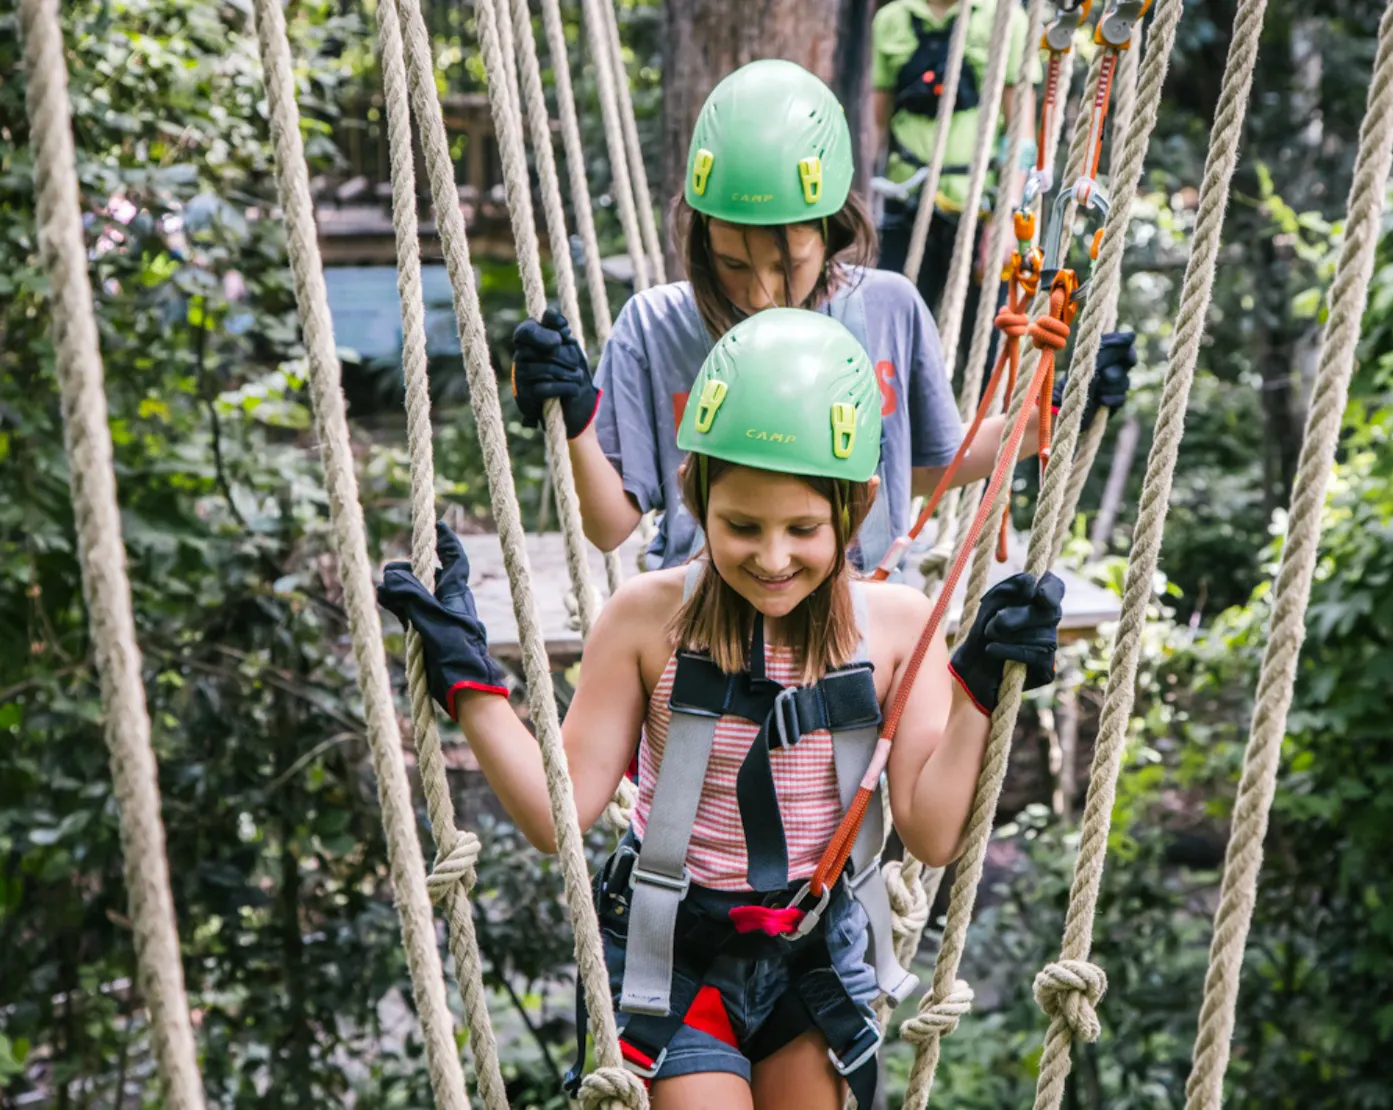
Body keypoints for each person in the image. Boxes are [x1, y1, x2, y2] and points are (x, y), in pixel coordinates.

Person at [381, 310, 1064, 1109]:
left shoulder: (898, 625)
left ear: (859, 506)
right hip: (673, 957)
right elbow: (553, 812)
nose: (772, 558)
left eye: (803, 529)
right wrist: (471, 682)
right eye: (741, 526)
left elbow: (933, 830)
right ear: (695, 494)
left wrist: (977, 686)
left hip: (812, 955)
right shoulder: (646, 619)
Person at [509, 58, 1042, 580]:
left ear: (833, 231)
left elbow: (925, 467)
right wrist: (575, 419)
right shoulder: (656, 327)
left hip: (863, 625)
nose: (761, 294)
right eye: (732, 264)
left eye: (787, 266)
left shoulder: (888, 308)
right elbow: (608, 527)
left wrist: (1054, 408)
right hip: (702, 626)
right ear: (700, 240)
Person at [871, 0, 1038, 316]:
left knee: (988, 334)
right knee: (893, 328)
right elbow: (876, 126)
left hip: (981, 211)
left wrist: (1010, 213)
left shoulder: (1006, 20)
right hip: (905, 205)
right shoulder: (892, 20)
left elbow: (1021, 133)